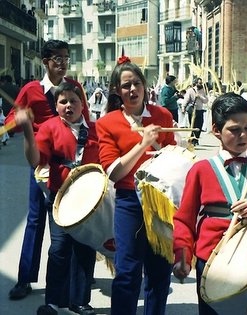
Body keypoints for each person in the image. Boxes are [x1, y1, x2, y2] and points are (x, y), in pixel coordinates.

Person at [172, 92, 247, 314]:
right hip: (211, 258)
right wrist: (182, 256)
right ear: (216, 130)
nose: (243, 135)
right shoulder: (201, 169)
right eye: (234, 130)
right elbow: (185, 218)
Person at [5, 39, 89, 301]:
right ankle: (25, 279)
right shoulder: (31, 90)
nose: (63, 63)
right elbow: (12, 121)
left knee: (73, 220)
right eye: (57, 59)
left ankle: (75, 279)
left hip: (70, 163)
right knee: (35, 220)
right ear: (45, 62)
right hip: (41, 163)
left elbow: (85, 120)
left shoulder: (74, 87)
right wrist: (20, 120)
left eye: (66, 58)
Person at [96, 56, 175, 315]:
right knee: (127, 271)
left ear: (145, 86)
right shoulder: (107, 123)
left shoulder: (162, 114)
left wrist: (170, 148)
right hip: (129, 200)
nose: (132, 90)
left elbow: (172, 159)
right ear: (117, 91)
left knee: (159, 270)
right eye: (126, 85)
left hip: (160, 200)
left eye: (137, 84)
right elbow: (114, 173)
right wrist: (142, 143)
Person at [14, 82, 97, 315]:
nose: (69, 105)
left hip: (88, 202)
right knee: (59, 249)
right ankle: (52, 301)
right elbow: (35, 160)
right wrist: (29, 131)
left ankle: (80, 301)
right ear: (57, 106)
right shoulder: (50, 127)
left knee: (84, 249)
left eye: (74, 100)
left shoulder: (95, 129)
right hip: (60, 198)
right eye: (63, 101)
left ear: (83, 104)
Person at [181, 77, 208, 145]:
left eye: (201, 83)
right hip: (192, 111)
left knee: (200, 125)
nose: (201, 84)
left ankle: (197, 138)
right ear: (196, 83)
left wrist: (200, 96)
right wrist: (183, 107)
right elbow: (186, 99)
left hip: (200, 110)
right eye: (199, 83)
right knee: (193, 125)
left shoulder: (202, 90)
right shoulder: (190, 90)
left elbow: (206, 101)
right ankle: (193, 139)